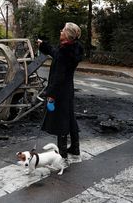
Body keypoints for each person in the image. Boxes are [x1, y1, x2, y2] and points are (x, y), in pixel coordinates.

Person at [37, 22, 84, 167]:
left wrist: (51, 94)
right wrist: (43, 45)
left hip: (60, 91)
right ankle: (75, 149)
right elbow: (56, 53)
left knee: (61, 121)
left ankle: (62, 154)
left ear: (68, 35)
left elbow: (58, 77)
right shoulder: (71, 49)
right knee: (70, 118)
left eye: (63, 30)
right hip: (68, 89)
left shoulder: (65, 53)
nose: (60, 31)